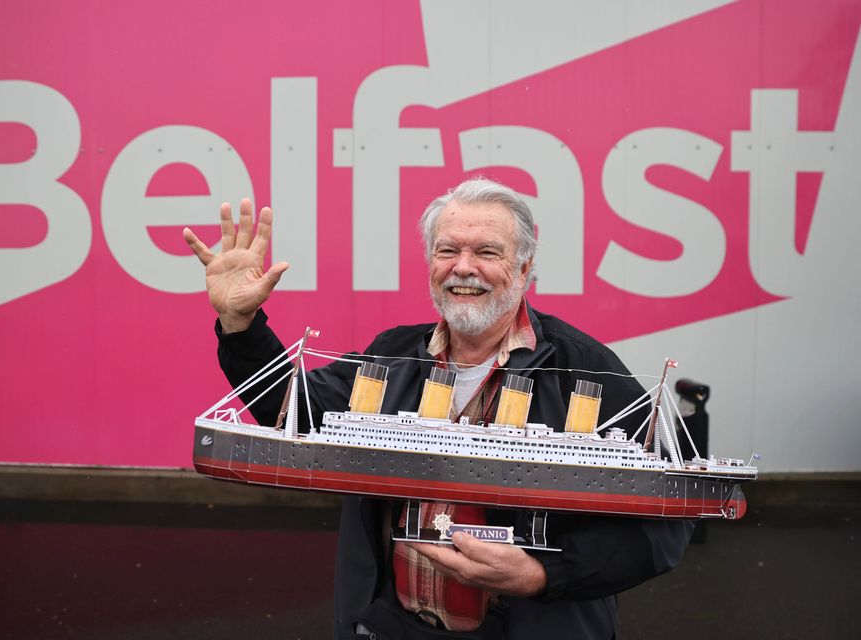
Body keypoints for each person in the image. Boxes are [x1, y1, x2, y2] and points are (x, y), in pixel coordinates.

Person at [183, 179, 693, 639]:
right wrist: (241, 324)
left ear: (525, 268)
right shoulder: (393, 353)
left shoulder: (586, 371)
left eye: (486, 251)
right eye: (447, 249)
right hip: (394, 626)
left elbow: (670, 519)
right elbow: (297, 412)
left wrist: (542, 575)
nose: (463, 267)